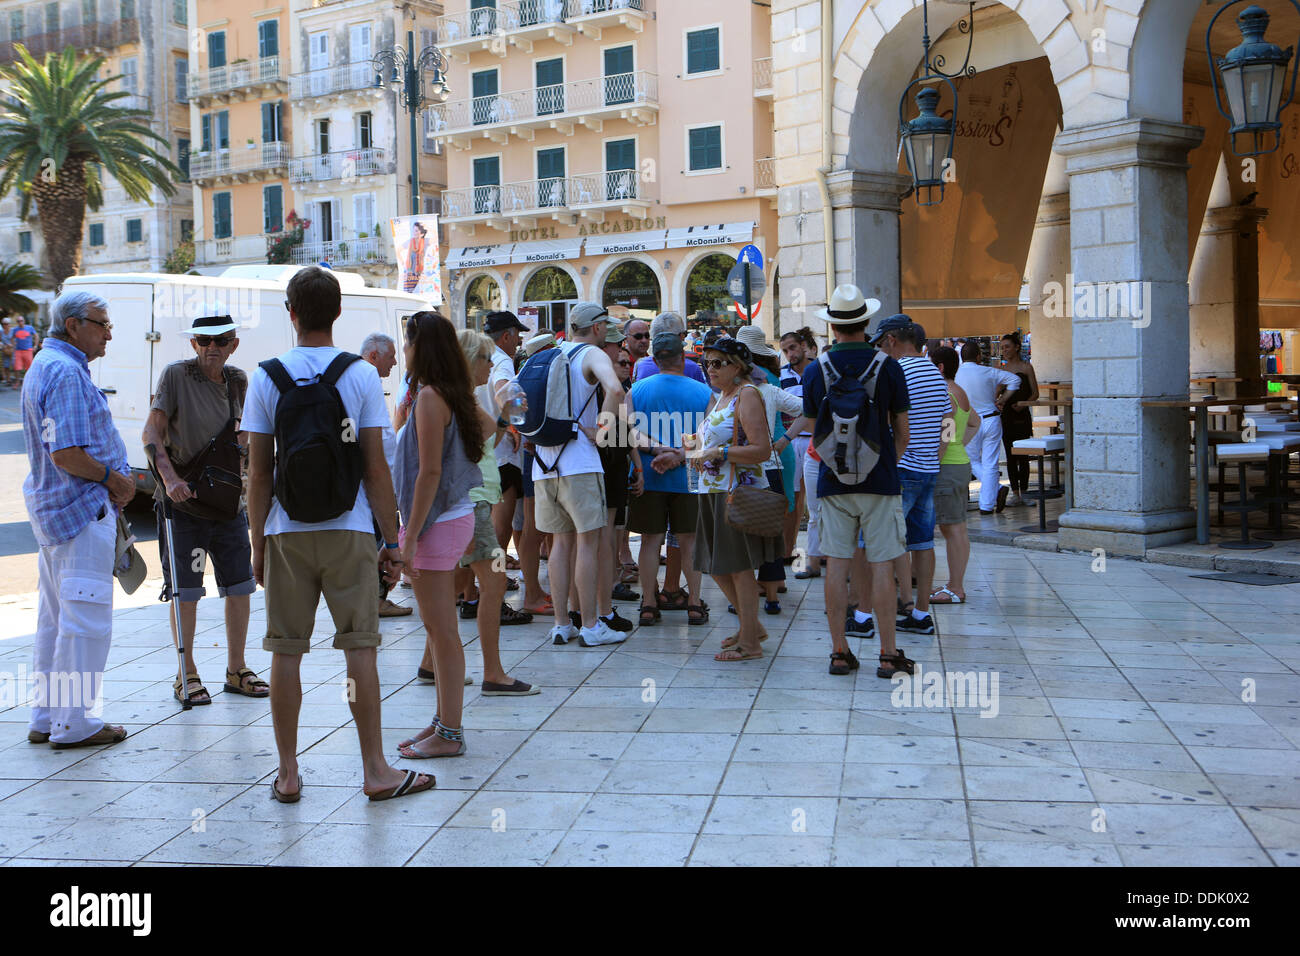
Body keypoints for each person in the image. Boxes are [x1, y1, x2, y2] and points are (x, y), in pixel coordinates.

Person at [246, 266, 431, 803]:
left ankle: (287, 772)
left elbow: (257, 472)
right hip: (349, 530)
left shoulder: (267, 376)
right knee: (360, 653)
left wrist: (258, 542)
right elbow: (376, 468)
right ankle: (376, 770)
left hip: (286, 532)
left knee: (286, 652)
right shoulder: (359, 375)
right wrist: (392, 543)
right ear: (338, 312)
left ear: (291, 313)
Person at [21, 291, 131, 749]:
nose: (108, 333)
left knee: (56, 619)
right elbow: (66, 454)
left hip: (58, 514)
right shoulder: (65, 371)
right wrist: (115, 480)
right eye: (101, 323)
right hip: (80, 511)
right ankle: (74, 723)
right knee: (85, 621)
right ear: (72, 325)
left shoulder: (47, 365)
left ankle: (48, 716)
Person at [142, 314, 265, 705]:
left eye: (222, 340)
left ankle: (237, 668)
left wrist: (249, 468)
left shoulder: (239, 380)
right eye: (204, 340)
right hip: (185, 506)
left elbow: (244, 434)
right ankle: (187, 673)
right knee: (187, 592)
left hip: (228, 503)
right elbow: (152, 433)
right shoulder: (175, 376)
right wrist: (170, 480)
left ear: (233, 344)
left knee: (240, 586)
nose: (212, 348)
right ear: (193, 343)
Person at [802, 285, 913, 679]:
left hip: (834, 483)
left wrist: (842, 464)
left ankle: (838, 651)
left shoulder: (817, 370)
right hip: (881, 480)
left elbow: (815, 430)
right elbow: (903, 430)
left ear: (832, 327)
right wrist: (884, 463)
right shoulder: (889, 366)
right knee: (882, 563)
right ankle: (888, 653)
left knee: (836, 564)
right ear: (866, 323)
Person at [534, 302, 627, 647]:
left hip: (544, 464)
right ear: (599, 327)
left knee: (560, 543)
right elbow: (615, 390)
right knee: (588, 542)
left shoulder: (548, 353)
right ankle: (590, 626)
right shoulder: (591, 354)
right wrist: (603, 433)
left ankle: (562, 624)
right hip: (580, 463)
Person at [692, 337, 781, 661]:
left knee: (739, 568)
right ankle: (750, 626)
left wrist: (720, 451)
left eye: (718, 363)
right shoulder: (720, 397)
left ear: (738, 366)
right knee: (715, 565)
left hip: (734, 492)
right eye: (707, 362)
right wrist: (692, 453)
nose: (710, 368)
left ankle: (750, 643)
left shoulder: (747, 395)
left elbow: (761, 450)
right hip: (711, 489)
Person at [627, 332, 713, 627]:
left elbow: (627, 433)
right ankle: (694, 603)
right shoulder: (704, 392)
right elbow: (707, 438)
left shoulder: (636, 390)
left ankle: (649, 604)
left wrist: (656, 449)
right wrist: (677, 454)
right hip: (688, 475)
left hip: (648, 475)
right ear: (683, 357)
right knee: (689, 541)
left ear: (653, 359)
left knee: (650, 541)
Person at [871, 316, 950, 636]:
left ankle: (902, 603)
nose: (879, 349)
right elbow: (948, 421)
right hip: (929, 469)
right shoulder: (934, 371)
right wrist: (937, 457)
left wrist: (895, 459)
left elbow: (888, 420)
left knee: (892, 541)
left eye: (880, 343)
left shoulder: (898, 371)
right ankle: (921, 611)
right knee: (923, 541)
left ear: (891, 340)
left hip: (902, 469)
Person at [738, 324, 802, 614]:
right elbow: (806, 409)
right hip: (778, 455)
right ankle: (774, 585)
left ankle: (756, 586)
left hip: (753, 460)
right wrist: (786, 439)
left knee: (748, 527)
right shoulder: (770, 380)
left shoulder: (742, 387)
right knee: (775, 524)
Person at [360, 332, 414, 620]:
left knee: (380, 537)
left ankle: (376, 597)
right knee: (378, 539)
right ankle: (376, 599)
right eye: (391, 355)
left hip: (382, 481)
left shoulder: (369, 381)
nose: (395, 361)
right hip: (374, 485)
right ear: (373, 356)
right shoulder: (364, 380)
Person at [929, 346, 980, 604]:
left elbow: (946, 434)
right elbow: (975, 422)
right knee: (957, 528)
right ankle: (953, 585)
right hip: (959, 464)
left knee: (953, 530)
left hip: (947, 467)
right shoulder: (960, 392)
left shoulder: (946, 394)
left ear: (939, 368)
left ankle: (955, 588)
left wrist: (935, 461)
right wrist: (960, 443)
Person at [480, 312, 529, 566]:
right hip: (502, 455)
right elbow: (505, 392)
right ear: (506, 335)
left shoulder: (475, 357)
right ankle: (494, 584)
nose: (519, 341)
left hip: (478, 453)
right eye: (517, 335)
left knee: (480, 527)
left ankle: (475, 589)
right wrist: (516, 426)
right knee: (501, 528)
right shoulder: (502, 360)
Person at [955, 341, 1020, 514]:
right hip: (992, 419)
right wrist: (1003, 399)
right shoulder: (988, 371)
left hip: (970, 422)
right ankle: (987, 503)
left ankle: (994, 493)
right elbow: (1015, 380)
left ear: (961, 357)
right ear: (978, 356)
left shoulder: (956, 374)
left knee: (971, 460)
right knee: (990, 463)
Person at [779, 327, 820, 575]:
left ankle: (819, 551)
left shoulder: (819, 370)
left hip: (815, 440)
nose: (789, 354)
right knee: (792, 498)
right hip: (791, 440)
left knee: (817, 501)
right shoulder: (781, 375)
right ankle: (788, 548)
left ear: (803, 346)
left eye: (792, 348)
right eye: (784, 350)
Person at [997, 331, 1040, 507]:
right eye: (1002, 347)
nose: (1004, 350)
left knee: (1024, 455)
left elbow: (1035, 393)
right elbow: (997, 392)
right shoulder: (1001, 370)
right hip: (1007, 415)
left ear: (1016, 347)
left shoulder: (1026, 367)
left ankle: (1025, 492)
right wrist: (999, 402)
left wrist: (1024, 404)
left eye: (1007, 346)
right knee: (1010, 454)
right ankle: (1015, 493)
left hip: (1022, 415)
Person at [632, 311, 708, 384]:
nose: (684, 336)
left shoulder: (641, 365)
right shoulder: (692, 368)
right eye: (684, 333)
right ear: (680, 336)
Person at [11, 314, 39, 387]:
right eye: (18, 321)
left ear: (24, 321)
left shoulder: (29, 328)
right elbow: (12, 338)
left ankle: (29, 382)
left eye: (21, 321)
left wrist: (35, 345)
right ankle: (17, 382)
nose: (20, 322)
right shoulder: (15, 329)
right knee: (17, 367)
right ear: (17, 322)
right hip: (18, 351)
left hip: (28, 350)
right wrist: (13, 345)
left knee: (29, 367)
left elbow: (36, 336)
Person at [401, 222, 428, 294]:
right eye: (414, 231)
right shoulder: (410, 241)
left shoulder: (425, 241)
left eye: (416, 231)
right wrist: (402, 262)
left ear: (421, 232)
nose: (414, 233)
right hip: (410, 272)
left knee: (418, 292)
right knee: (409, 292)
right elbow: (398, 250)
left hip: (420, 272)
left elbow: (435, 238)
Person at [1, 317, 15, 387]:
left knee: (14, 365)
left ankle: (16, 381)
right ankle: (8, 380)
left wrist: (11, 345)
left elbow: (15, 340)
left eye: (6, 324)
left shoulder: (12, 330)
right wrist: (3, 345)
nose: (5, 325)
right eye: (3, 324)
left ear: (9, 324)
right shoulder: (1, 332)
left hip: (12, 350)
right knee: (6, 366)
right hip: (5, 350)